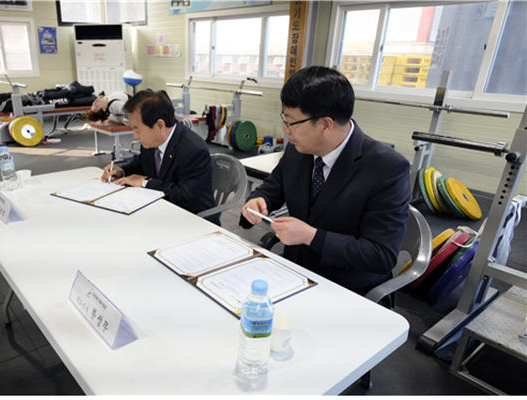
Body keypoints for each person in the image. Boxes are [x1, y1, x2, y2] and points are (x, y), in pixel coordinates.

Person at [240, 66, 411, 307]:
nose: (286, 130)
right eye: (284, 119)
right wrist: (259, 201)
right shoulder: (298, 149)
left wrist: (312, 237)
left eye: (291, 122)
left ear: (325, 124)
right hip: (294, 273)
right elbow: (274, 185)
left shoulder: (387, 168)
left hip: (348, 289)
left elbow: (380, 255)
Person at [101, 90, 220, 225]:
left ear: (160, 125)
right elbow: (141, 164)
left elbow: (184, 197)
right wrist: (121, 171)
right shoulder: (152, 140)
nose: (135, 135)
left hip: (192, 221)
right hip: (161, 211)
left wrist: (145, 182)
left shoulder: (194, 151)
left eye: (138, 130)